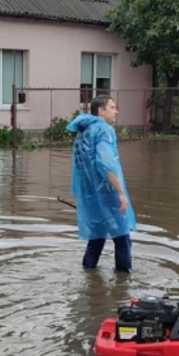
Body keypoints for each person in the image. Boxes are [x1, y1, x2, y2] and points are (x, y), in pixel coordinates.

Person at [66, 96, 137, 273]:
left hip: (90, 194)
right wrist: (120, 192)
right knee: (122, 238)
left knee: (96, 238)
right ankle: (123, 283)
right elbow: (106, 164)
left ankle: (89, 276)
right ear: (101, 111)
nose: (116, 111)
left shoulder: (84, 131)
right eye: (112, 107)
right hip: (108, 191)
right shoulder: (104, 130)